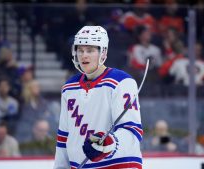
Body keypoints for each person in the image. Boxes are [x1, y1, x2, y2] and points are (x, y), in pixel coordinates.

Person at [54, 26, 143, 169]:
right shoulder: (69, 88)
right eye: (80, 50)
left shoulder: (122, 82)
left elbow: (132, 132)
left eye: (90, 50)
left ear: (103, 52)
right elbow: (64, 137)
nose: (84, 56)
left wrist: (109, 143)